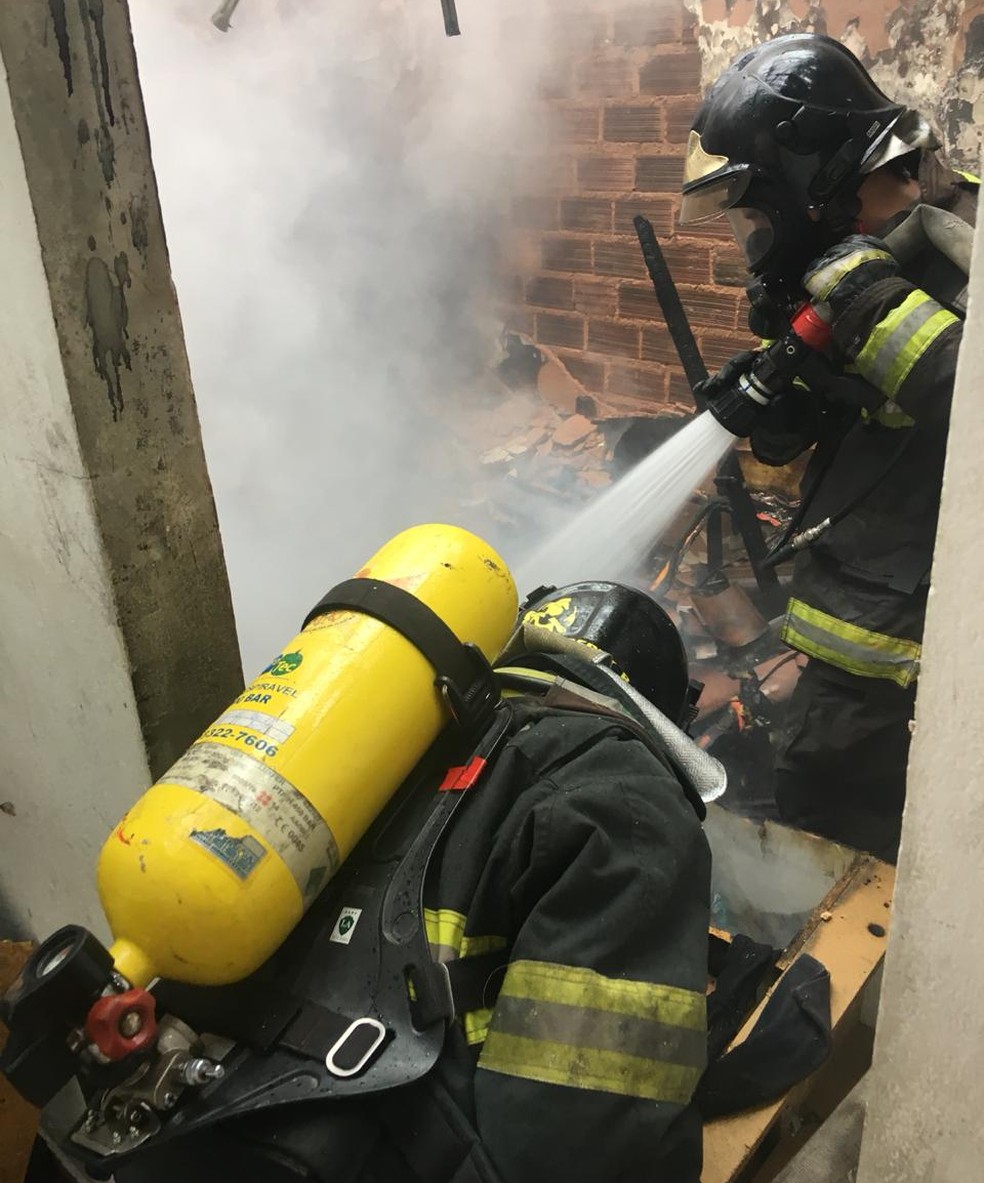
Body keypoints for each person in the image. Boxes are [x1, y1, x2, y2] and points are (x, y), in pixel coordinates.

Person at [87, 582, 713, 1183]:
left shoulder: (404, 724)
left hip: (169, 1121)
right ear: (661, 710)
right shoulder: (628, 800)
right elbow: (587, 1130)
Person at [678, 33, 978, 862]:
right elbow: (852, 420)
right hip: (856, 625)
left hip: (919, 656)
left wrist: (864, 300)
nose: (750, 233)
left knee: (845, 825)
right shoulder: (861, 265)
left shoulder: (960, 250)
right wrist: (782, 404)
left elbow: (964, 399)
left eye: (752, 210)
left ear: (811, 185)